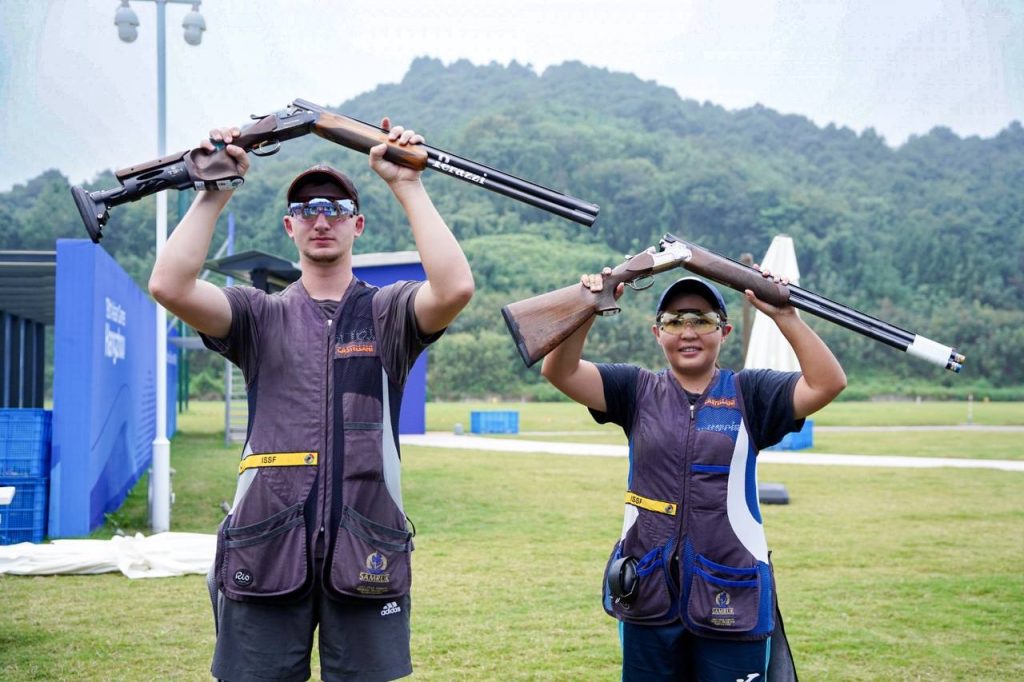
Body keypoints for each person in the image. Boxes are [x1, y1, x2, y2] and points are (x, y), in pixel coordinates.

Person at [149, 119, 474, 681]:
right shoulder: (258, 315)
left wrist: (408, 184)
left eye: (336, 209)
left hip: (367, 543)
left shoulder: (388, 314)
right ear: (289, 226)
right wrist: (214, 190)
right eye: (305, 210)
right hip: (265, 543)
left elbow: (454, 288)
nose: (321, 219)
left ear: (358, 225)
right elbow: (169, 286)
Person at [540, 269, 846, 681]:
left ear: (724, 332)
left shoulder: (751, 393)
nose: (688, 331)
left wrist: (784, 315)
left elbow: (828, 382)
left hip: (733, 591)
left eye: (702, 320)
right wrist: (587, 308)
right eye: (674, 321)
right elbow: (559, 371)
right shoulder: (635, 389)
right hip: (647, 590)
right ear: (657, 333)